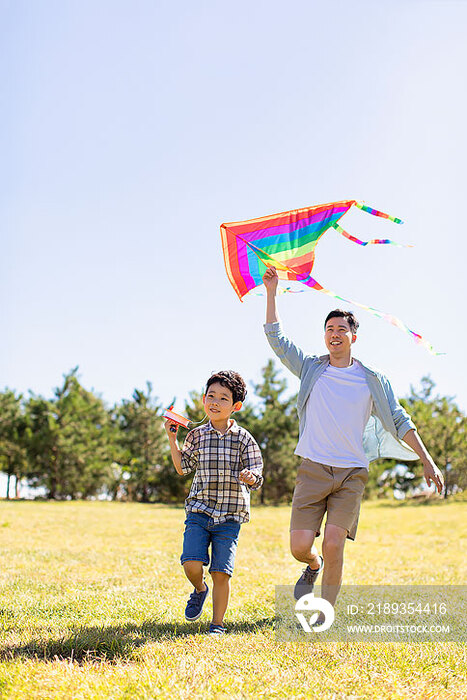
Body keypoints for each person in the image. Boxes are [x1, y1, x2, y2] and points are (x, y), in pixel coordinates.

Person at [262, 266, 444, 616]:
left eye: (341, 329)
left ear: (353, 337)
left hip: (350, 474)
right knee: (300, 546)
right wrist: (271, 292)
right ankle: (311, 566)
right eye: (329, 329)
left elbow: (398, 420)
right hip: (313, 467)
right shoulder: (312, 368)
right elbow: (277, 341)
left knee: (334, 543)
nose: (334, 334)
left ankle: (325, 612)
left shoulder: (371, 379)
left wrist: (427, 459)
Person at [165, 370, 263, 635]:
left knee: (222, 572)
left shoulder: (244, 439)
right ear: (203, 399)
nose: (215, 402)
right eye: (211, 396)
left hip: (230, 516)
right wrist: (172, 439)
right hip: (199, 509)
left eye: (223, 398)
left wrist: (250, 476)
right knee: (191, 563)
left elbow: (257, 474)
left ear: (236, 406)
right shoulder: (196, 436)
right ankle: (199, 589)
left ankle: (217, 624)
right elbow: (182, 467)